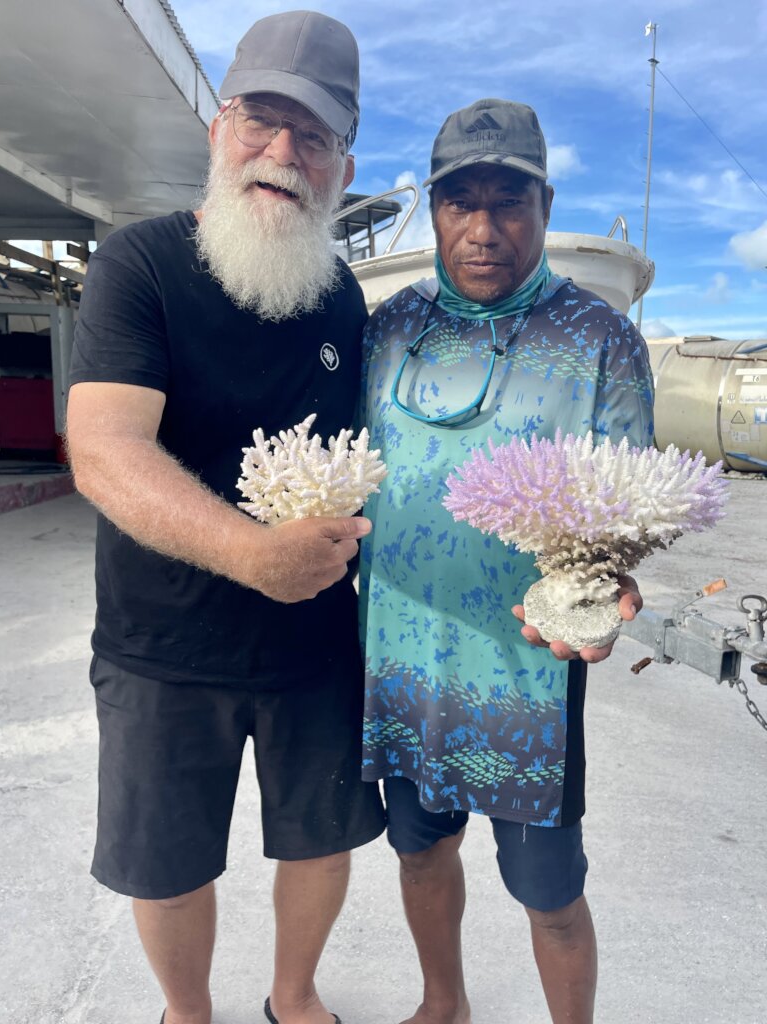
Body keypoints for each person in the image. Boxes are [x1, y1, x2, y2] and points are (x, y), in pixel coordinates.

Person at [65, 12, 385, 1024]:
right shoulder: (139, 265)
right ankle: (187, 1011)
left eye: (314, 134)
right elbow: (104, 449)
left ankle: (293, 998)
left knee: (321, 839)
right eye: (262, 119)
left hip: (315, 645)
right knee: (166, 862)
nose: (282, 153)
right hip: (162, 643)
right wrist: (255, 554)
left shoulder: (341, 299)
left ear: (343, 160)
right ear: (218, 126)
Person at [358, 98, 655, 1024]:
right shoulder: (389, 328)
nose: (483, 230)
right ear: (437, 209)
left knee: (549, 893)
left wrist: (610, 590)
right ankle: (442, 1003)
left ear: (545, 203)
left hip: (526, 671)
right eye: (459, 203)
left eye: (509, 203)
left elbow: (628, 503)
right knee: (417, 850)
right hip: (399, 656)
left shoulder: (602, 338)